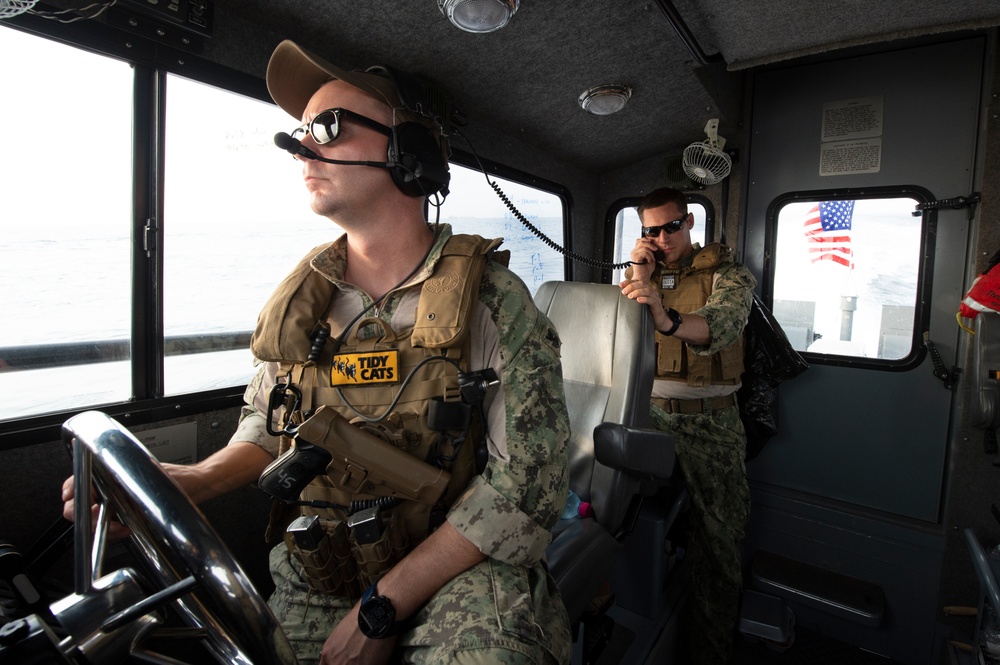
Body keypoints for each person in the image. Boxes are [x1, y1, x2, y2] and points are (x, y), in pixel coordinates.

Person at [64, 39, 571, 665]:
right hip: (324, 563)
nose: (302, 145)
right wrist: (190, 482)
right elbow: (270, 427)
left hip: (453, 562)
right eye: (299, 131)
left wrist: (383, 606)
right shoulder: (303, 303)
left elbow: (525, 488)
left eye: (327, 127)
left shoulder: (493, 301)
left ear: (407, 153)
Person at [619, 187, 755, 665]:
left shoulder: (727, 274)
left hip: (710, 422)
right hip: (647, 415)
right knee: (600, 506)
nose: (662, 237)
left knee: (718, 544)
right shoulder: (645, 275)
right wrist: (640, 273)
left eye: (670, 227)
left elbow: (720, 326)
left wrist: (666, 315)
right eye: (650, 231)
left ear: (690, 222)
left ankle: (709, 652)